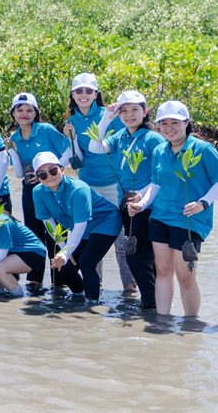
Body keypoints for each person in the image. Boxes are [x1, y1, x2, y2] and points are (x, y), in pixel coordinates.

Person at [128, 101, 218, 317]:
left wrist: (203, 203)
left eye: (174, 122)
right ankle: (162, 321)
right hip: (160, 216)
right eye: (164, 123)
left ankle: (190, 324)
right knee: (162, 271)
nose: (169, 127)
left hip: (189, 219)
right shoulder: (160, 150)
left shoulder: (204, 149)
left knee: (185, 275)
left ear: (186, 122)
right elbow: (156, 184)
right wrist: (141, 204)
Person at [89, 90, 164, 309]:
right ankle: (155, 303)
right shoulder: (122, 135)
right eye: (124, 111)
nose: (129, 115)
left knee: (138, 257)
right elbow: (95, 147)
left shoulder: (153, 138)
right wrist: (106, 118)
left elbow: (162, 174)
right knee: (140, 256)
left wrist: (142, 196)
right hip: (127, 204)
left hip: (148, 204)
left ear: (145, 111)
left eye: (135, 110)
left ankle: (151, 305)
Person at [62, 72, 135, 292]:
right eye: (79, 91)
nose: (83, 95)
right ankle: (96, 286)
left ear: (96, 94)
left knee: (122, 243)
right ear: (73, 94)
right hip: (87, 186)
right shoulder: (71, 120)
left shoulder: (110, 115)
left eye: (88, 90)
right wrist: (70, 139)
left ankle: (130, 289)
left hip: (115, 185)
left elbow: (125, 145)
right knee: (93, 239)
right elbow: (78, 158)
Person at [32, 152, 122, 303]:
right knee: (66, 268)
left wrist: (67, 252)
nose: (49, 176)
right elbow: (49, 223)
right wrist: (64, 249)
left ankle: (93, 305)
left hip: (105, 221)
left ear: (62, 169)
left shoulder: (78, 189)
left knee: (87, 263)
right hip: (83, 229)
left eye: (53, 170)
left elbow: (80, 226)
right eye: (42, 175)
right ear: (38, 178)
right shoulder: (38, 192)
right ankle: (79, 297)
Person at [5, 92, 71, 285]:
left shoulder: (46, 130)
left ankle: (60, 283)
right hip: (30, 191)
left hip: (54, 190)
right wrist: (10, 149)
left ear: (35, 113)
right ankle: (35, 283)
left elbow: (68, 150)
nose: (24, 114)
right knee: (34, 235)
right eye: (20, 110)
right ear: (13, 114)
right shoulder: (14, 137)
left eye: (29, 110)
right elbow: (17, 173)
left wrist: (51, 173)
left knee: (56, 233)